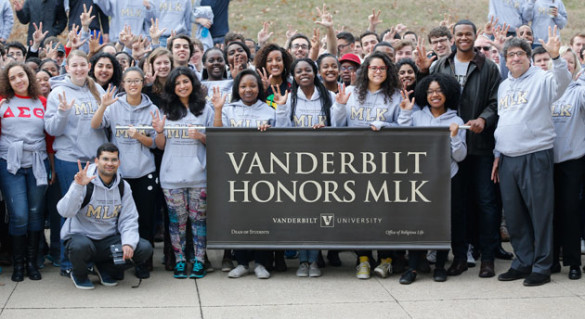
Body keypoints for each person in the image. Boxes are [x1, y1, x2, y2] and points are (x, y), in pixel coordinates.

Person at [417, 20, 501, 278]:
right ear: (453, 38)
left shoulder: (489, 67)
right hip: (449, 150)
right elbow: (429, 96)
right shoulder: (441, 64)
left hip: (480, 145)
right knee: (458, 206)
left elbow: (495, 101)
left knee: (486, 203)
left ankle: (487, 258)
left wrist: (483, 119)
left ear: (475, 37)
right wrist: (422, 72)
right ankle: (460, 257)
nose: (464, 38)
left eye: (468, 34)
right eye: (459, 34)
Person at [493, 31, 571, 287]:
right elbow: (504, 121)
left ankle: (542, 266)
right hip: (507, 158)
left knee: (540, 214)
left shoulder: (543, 79)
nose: (515, 58)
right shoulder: (504, 85)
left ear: (528, 58)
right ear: (505, 60)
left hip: (535, 155)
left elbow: (562, 82)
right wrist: (497, 154)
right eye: (511, 54)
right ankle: (522, 261)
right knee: (514, 217)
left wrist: (556, 56)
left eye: (520, 54)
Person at [333, 51, 402, 279]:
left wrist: (385, 125)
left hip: (385, 162)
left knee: (385, 213)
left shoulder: (395, 95)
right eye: (374, 68)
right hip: (355, 162)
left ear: (388, 71)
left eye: (382, 68)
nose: (378, 71)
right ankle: (362, 259)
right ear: (366, 70)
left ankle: (385, 259)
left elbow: (406, 129)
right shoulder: (351, 92)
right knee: (359, 213)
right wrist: (341, 106)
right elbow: (338, 126)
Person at [397, 73, 467, 284]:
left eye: (439, 91)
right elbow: (401, 138)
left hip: (447, 179)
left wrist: (454, 137)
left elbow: (460, 156)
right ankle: (413, 267)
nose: (435, 95)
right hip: (420, 180)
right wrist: (405, 113)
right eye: (430, 91)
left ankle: (439, 266)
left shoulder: (456, 120)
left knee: (442, 224)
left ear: (447, 93)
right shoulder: (417, 117)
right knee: (418, 223)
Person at [273, 58, 339, 277]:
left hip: (324, 164)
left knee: (319, 213)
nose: (304, 74)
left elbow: (340, 127)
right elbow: (282, 131)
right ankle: (303, 260)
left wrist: (327, 127)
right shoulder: (288, 98)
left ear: (315, 72)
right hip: (298, 164)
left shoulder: (329, 97)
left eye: (308, 70)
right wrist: (281, 108)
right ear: (293, 75)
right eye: (299, 71)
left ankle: (315, 260)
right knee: (301, 214)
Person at [44, 49, 108, 277]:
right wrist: (62, 113)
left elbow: (103, 123)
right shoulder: (58, 92)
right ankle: (67, 262)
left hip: (95, 162)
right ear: (67, 68)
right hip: (70, 160)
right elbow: (51, 129)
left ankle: (88, 260)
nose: (79, 69)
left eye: (83, 65)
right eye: (75, 65)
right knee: (70, 212)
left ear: (88, 66)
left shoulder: (97, 89)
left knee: (92, 212)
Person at [90, 67, 160, 273]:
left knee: (145, 219)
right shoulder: (114, 105)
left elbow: (156, 143)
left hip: (144, 171)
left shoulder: (152, 109)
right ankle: (118, 262)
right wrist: (103, 106)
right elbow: (95, 125)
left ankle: (143, 262)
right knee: (118, 220)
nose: (133, 85)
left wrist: (139, 136)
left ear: (142, 83)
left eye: (137, 80)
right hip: (119, 174)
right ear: (123, 84)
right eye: (129, 81)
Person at [57, 143, 153, 289]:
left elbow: (129, 219)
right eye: (105, 159)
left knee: (143, 248)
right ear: (97, 161)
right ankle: (79, 274)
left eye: (114, 160)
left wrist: (128, 243)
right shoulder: (84, 182)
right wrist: (78, 186)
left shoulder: (123, 186)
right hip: (83, 238)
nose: (109, 163)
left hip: (107, 241)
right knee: (79, 246)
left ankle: (104, 269)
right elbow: (65, 212)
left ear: (119, 163)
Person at [212, 69, 275, 279]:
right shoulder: (229, 109)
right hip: (235, 171)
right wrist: (219, 110)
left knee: (262, 218)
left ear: (260, 88)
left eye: (253, 86)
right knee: (238, 218)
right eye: (243, 86)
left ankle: (261, 263)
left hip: (262, 172)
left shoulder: (269, 110)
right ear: (237, 89)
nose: (248, 90)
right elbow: (219, 136)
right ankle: (241, 261)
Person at [154, 66, 213, 279]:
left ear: (193, 83)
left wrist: (201, 137)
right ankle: (180, 261)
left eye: (185, 82)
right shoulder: (165, 109)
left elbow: (216, 140)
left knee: (198, 221)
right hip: (171, 176)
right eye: (177, 83)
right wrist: (160, 131)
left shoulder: (205, 108)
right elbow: (160, 145)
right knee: (177, 221)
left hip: (199, 175)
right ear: (172, 87)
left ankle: (198, 261)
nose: (182, 86)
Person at [0, 62, 53, 282]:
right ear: (8, 82)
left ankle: (32, 263)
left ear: (28, 76)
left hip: (38, 162)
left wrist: (53, 166)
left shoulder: (41, 101)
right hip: (9, 163)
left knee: (35, 212)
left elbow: (50, 138)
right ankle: (18, 264)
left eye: (21, 75)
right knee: (19, 214)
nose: (18, 80)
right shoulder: (3, 102)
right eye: (13, 78)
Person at [550, 67, 585, 280]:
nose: (564, 68)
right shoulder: (547, 90)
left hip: (572, 160)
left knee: (570, 211)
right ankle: (552, 260)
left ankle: (573, 262)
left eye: (569, 63)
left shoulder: (578, 90)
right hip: (546, 160)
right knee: (550, 212)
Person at [254, 43, 293, 109]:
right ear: (264, 64)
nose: (274, 64)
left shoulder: (292, 85)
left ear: (284, 63)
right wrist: (262, 90)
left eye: (278, 60)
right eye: (269, 61)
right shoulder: (256, 87)